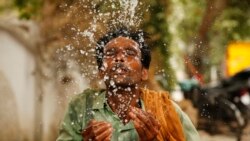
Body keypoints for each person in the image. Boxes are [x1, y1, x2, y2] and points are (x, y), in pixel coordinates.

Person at [56, 27, 200, 141]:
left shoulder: (166, 110)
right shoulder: (81, 107)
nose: (119, 58)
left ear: (144, 72)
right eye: (110, 53)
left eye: (130, 53)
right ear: (101, 71)